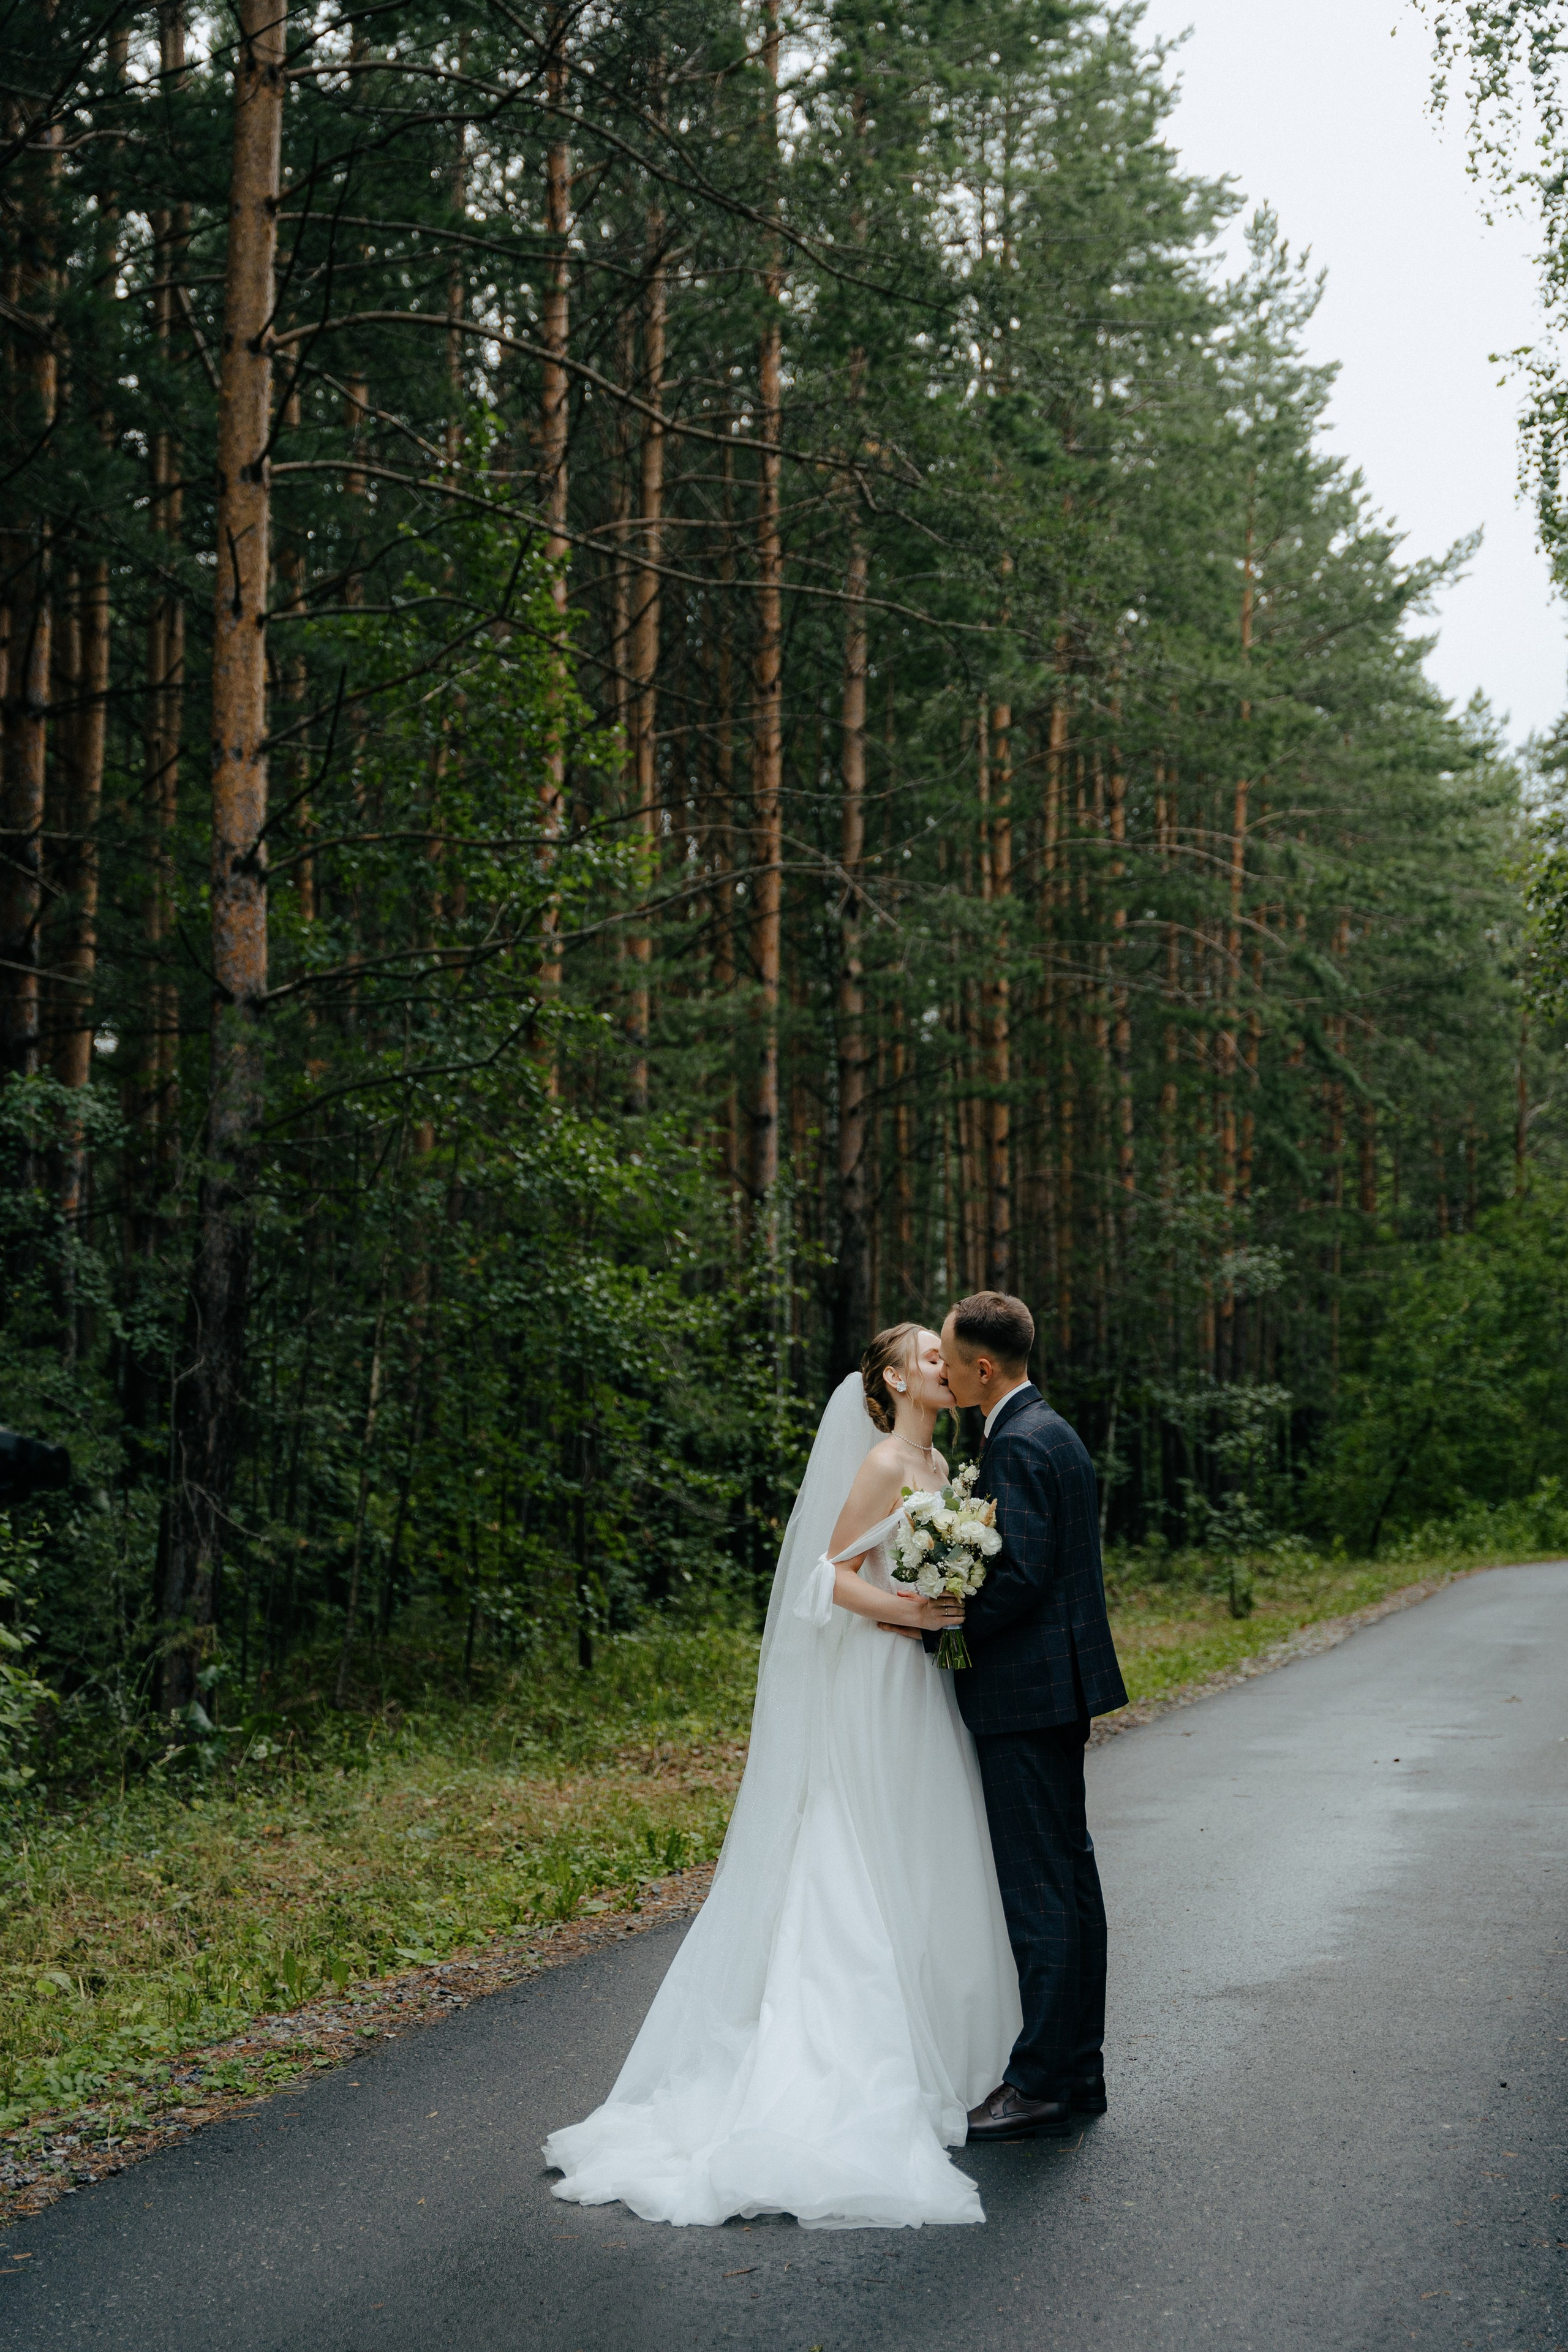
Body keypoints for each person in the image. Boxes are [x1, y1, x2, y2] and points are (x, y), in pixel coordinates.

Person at [543, 1325, 1022, 2230]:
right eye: (928, 1356)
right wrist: (913, 1612)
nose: (944, 1366)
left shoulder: (942, 1465)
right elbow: (826, 1577)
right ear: (893, 1380)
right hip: (880, 1676)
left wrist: (947, 1603)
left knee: (927, 1842)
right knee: (863, 1842)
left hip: (926, 1681)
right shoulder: (884, 1463)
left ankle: (950, 2045)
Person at [923, 1289, 1128, 2143]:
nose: (943, 1372)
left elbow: (1020, 1576)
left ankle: (1039, 2083)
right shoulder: (1052, 1431)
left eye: (948, 1360)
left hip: (1025, 1696)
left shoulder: (1016, 1442)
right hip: (1056, 1690)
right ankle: (1078, 2070)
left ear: (982, 1366)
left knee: (1040, 1890)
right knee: (1070, 1884)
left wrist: (940, 1618)